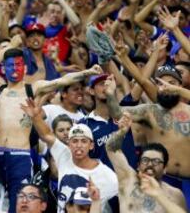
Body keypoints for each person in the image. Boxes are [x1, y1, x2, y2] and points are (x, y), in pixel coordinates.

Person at [0, 46, 102, 212]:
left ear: (24, 67)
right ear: (4, 68)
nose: (14, 69)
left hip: (20, 157)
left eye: (18, 65)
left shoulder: (33, 89)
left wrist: (87, 72)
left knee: (20, 205)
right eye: (10, 65)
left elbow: (61, 81)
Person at [105, 64, 190, 206]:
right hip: (162, 180)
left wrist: (179, 91)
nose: (166, 87)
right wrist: (110, 94)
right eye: (161, 83)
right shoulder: (149, 111)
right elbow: (117, 113)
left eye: (171, 83)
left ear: (180, 85)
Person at [21, 98, 118, 213]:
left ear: (91, 145)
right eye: (75, 141)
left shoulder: (106, 174)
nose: (79, 145)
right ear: (69, 144)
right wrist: (36, 117)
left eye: (83, 141)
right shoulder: (64, 156)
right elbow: (47, 135)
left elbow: (126, 198)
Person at [105, 112, 187, 212]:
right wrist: (121, 132)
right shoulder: (127, 180)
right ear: (138, 165)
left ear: (165, 169)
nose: (150, 164)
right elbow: (111, 148)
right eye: (145, 160)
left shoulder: (175, 195)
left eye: (156, 161)